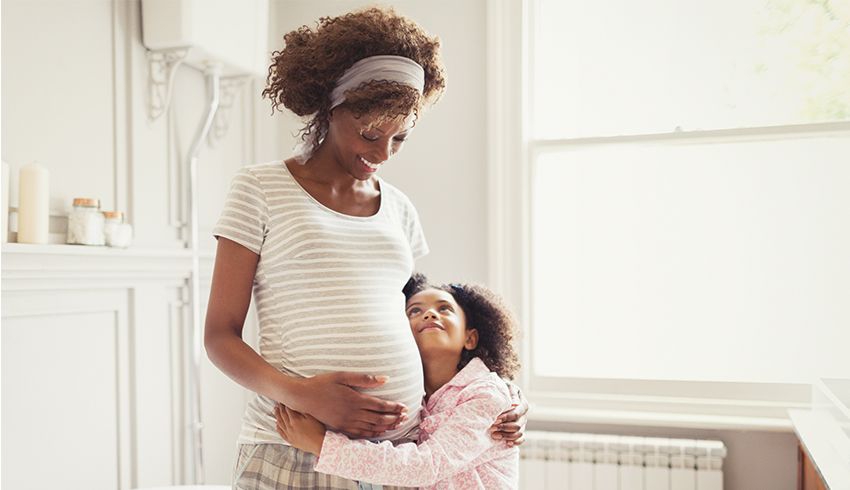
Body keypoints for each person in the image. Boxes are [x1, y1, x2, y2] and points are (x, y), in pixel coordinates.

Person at [203, 7, 527, 489]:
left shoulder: (399, 208)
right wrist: (305, 396)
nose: (382, 154)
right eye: (371, 134)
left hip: (399, 455)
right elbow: (219, 337)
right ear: (330, 107)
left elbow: (413, 327)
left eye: (400, 138)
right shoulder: (260, 188)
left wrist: (502, 397)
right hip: (296, 447)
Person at [275, 273, 522, 489]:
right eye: (414, 311)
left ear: (470, 338)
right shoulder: (422, 400)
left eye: (444, 308)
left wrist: (321, 444)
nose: (429, 314)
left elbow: (425, 466)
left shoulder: (486, 395)